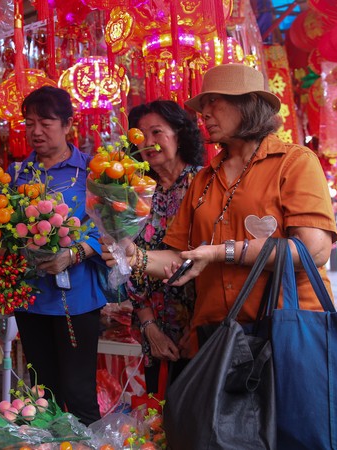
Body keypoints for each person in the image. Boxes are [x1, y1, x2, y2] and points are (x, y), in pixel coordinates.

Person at [102, 64, 337, 357]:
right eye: (203, 105)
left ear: (248, 104)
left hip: (288, 328)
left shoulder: (294, 162)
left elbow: (313, 251)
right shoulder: (204, 179)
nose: (205, 113)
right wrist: (135, 256)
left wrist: (219, 253)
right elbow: (180, 257)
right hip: (218, 335)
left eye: (215, 101)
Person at [0, 85, 106, 425]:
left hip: (78, 301)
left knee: (78, 394)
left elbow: (116, 230)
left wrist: (74, 253)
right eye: (29, 123)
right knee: (42, 395)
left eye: (45, 122)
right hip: (31, 301)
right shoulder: (17, 176)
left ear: (68, 124)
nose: (35, 131)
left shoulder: (93, 172)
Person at [125, 100, 204, 391]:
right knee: (158, 413)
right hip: (154, 325)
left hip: (201, 324)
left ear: (179, 135)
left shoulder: (205, 183)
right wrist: (149, 326)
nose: (147, 142)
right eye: (140, 135)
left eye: (156, 132)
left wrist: (198, 326)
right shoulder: (136, 191)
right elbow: (127, 261)